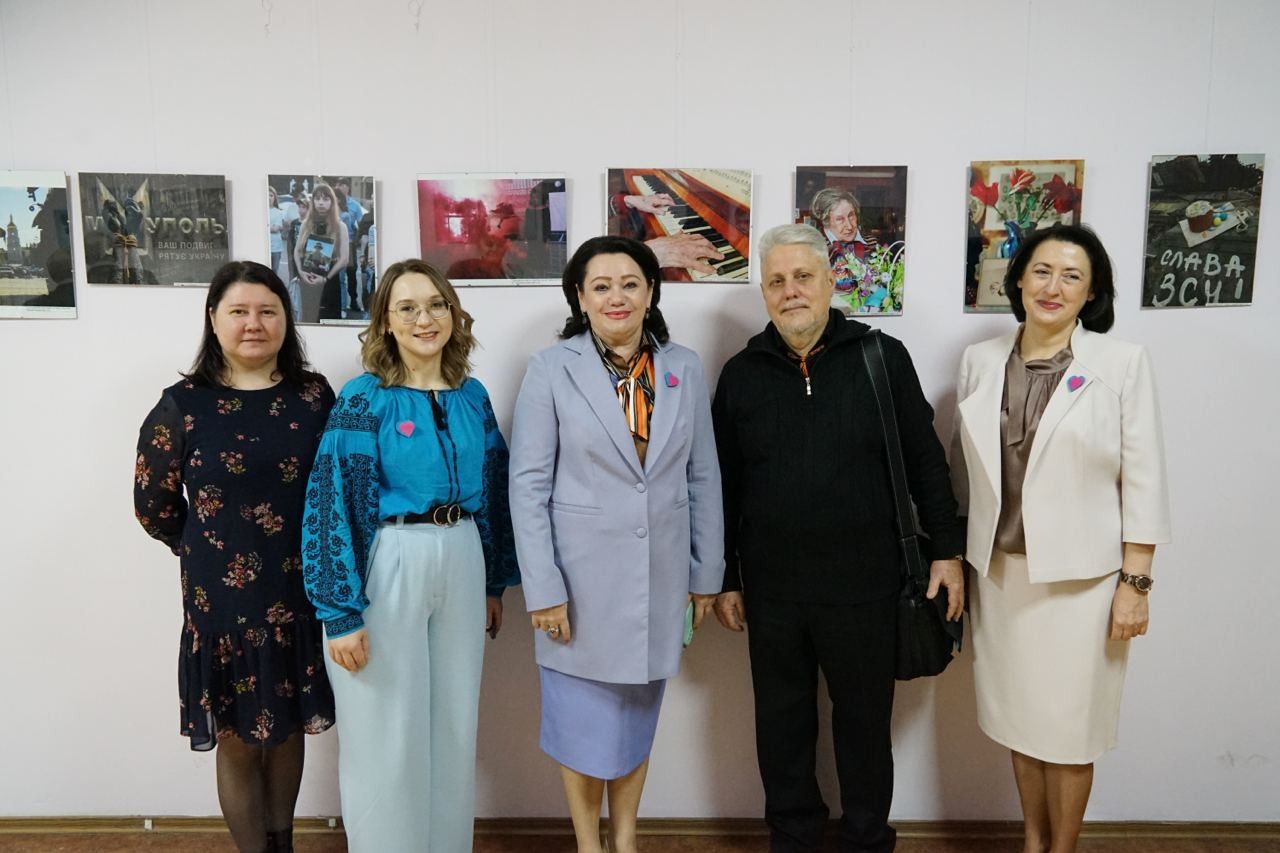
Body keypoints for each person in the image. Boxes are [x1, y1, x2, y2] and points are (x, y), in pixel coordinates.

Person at [712, 224, 964, 853]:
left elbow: (926, 463)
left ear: (830, 282)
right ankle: (793, 839)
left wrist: (946, 551)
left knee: (864, 729)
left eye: (803, 277)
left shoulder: (882, 357)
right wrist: (726, 576)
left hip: (867, 585)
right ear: (764, 294)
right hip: (772, 591)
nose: (790, 291)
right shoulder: (741, 374)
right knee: (782, 728)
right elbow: (721, 487)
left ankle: (866, 839)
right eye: (776, 281)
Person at [950, 224, 1171, 853]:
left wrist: (1135, 585)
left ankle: (1063, 848)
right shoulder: (980, 361)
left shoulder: (1121, 364)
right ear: (1018, 279)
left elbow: (1144, 479)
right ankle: (1033, 841)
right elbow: (964, 470)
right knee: (1020, 722)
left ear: (1091, 292)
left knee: (1071, 733)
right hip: (1001, 577)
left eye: (1072, 276)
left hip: (1084, 585)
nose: (1053, 287)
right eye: (1042, 271)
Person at [509, 235, 724, 853]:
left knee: (635, 719)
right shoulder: (552, 368)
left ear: (651, 291)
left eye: (630, 283)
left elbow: (703, 475)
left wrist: (705, 574)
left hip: (659, 579)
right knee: (579, 725)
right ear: (579, 297)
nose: (616, 297)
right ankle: (587, 842)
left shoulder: (683, 366)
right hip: (576, 588)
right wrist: (543, 588)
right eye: (600, 286)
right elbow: (527, 485)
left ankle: (625, 838)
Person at [301, 258, 518, 852]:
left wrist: (493, 583)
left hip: (462, 552)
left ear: (453, 313)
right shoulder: (364, 398)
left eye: (436, 304)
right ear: (386, 323)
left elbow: (494, 486)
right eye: (408, 308)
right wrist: (339, 612)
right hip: (392, 556)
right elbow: (332, 500)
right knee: (384, 731)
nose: (425, 318)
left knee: (453, 725)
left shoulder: (472, 396)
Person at [133, 260, 336, 853]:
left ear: (285, 321)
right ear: (213, 319)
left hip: (299, 593)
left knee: (288, 730)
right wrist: (209, 546)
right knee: (240, 739)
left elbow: (335, 487)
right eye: (239, 311)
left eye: (268, 311)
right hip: (221, 603)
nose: (254, 323)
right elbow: (153, 505)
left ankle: (283, 844)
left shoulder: (313, 396)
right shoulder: (182, 404)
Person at [810, 188, 885, 308]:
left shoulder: (872, 243)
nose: (849, 226)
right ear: (826, 222)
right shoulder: (813, 249)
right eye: (840, 219)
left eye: (851, 216)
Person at [291, 182, 348, 322]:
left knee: (329, 321)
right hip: (307, 279)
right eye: (317, 199)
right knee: (308, 319)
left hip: (329, 281)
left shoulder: (340, 226)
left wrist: (326, 278)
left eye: (325, 199)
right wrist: (301, 272)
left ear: (332, 202)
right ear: (313, 201)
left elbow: (344, 259)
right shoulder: (306, 224)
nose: (321, 203)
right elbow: (297, 251)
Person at [267, 186, 285, 279]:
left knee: (274, 272)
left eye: (271, 195)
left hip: (276, 247)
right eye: (267, 195)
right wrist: (270, 227)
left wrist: (265, 227)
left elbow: (276, 229)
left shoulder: (278, 212)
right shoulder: (260, 211)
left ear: (275, 198)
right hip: (264, 247)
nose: (269, 197)